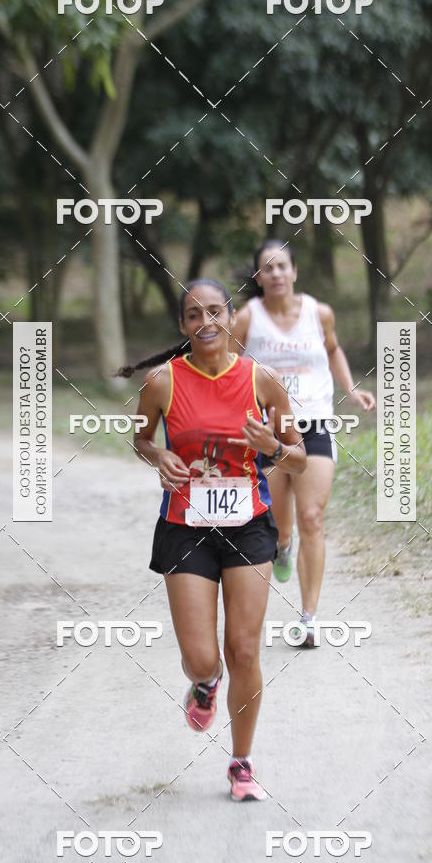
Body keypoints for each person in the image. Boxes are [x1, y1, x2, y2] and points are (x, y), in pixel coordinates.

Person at [121, 278, 306, 800]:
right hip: (186, 528)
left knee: (244, 651)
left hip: (248, 525)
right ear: (183, 325)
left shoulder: (263, 380)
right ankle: (204, 683)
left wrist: (272, 447)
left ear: (231, 317)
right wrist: (159, 455)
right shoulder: (161, 383)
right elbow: (140, 438)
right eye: (194, 314)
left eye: (215, 311)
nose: (206, 322)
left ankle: (241, 764)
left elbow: (298, 457)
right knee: (203, 658)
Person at [232, 240, 376, 646]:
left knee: (312, 516)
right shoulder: (247, 318)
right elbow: (228, 366)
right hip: (269, 431)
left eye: (282, 266)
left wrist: (351, 389)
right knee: (278, 524)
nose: (276, 274)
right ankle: (282, 546)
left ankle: (309, 618)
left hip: (314, 424)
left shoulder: (319, 313)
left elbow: (332, 349)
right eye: (267, 268)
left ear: (294, 272)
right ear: (258, 277)